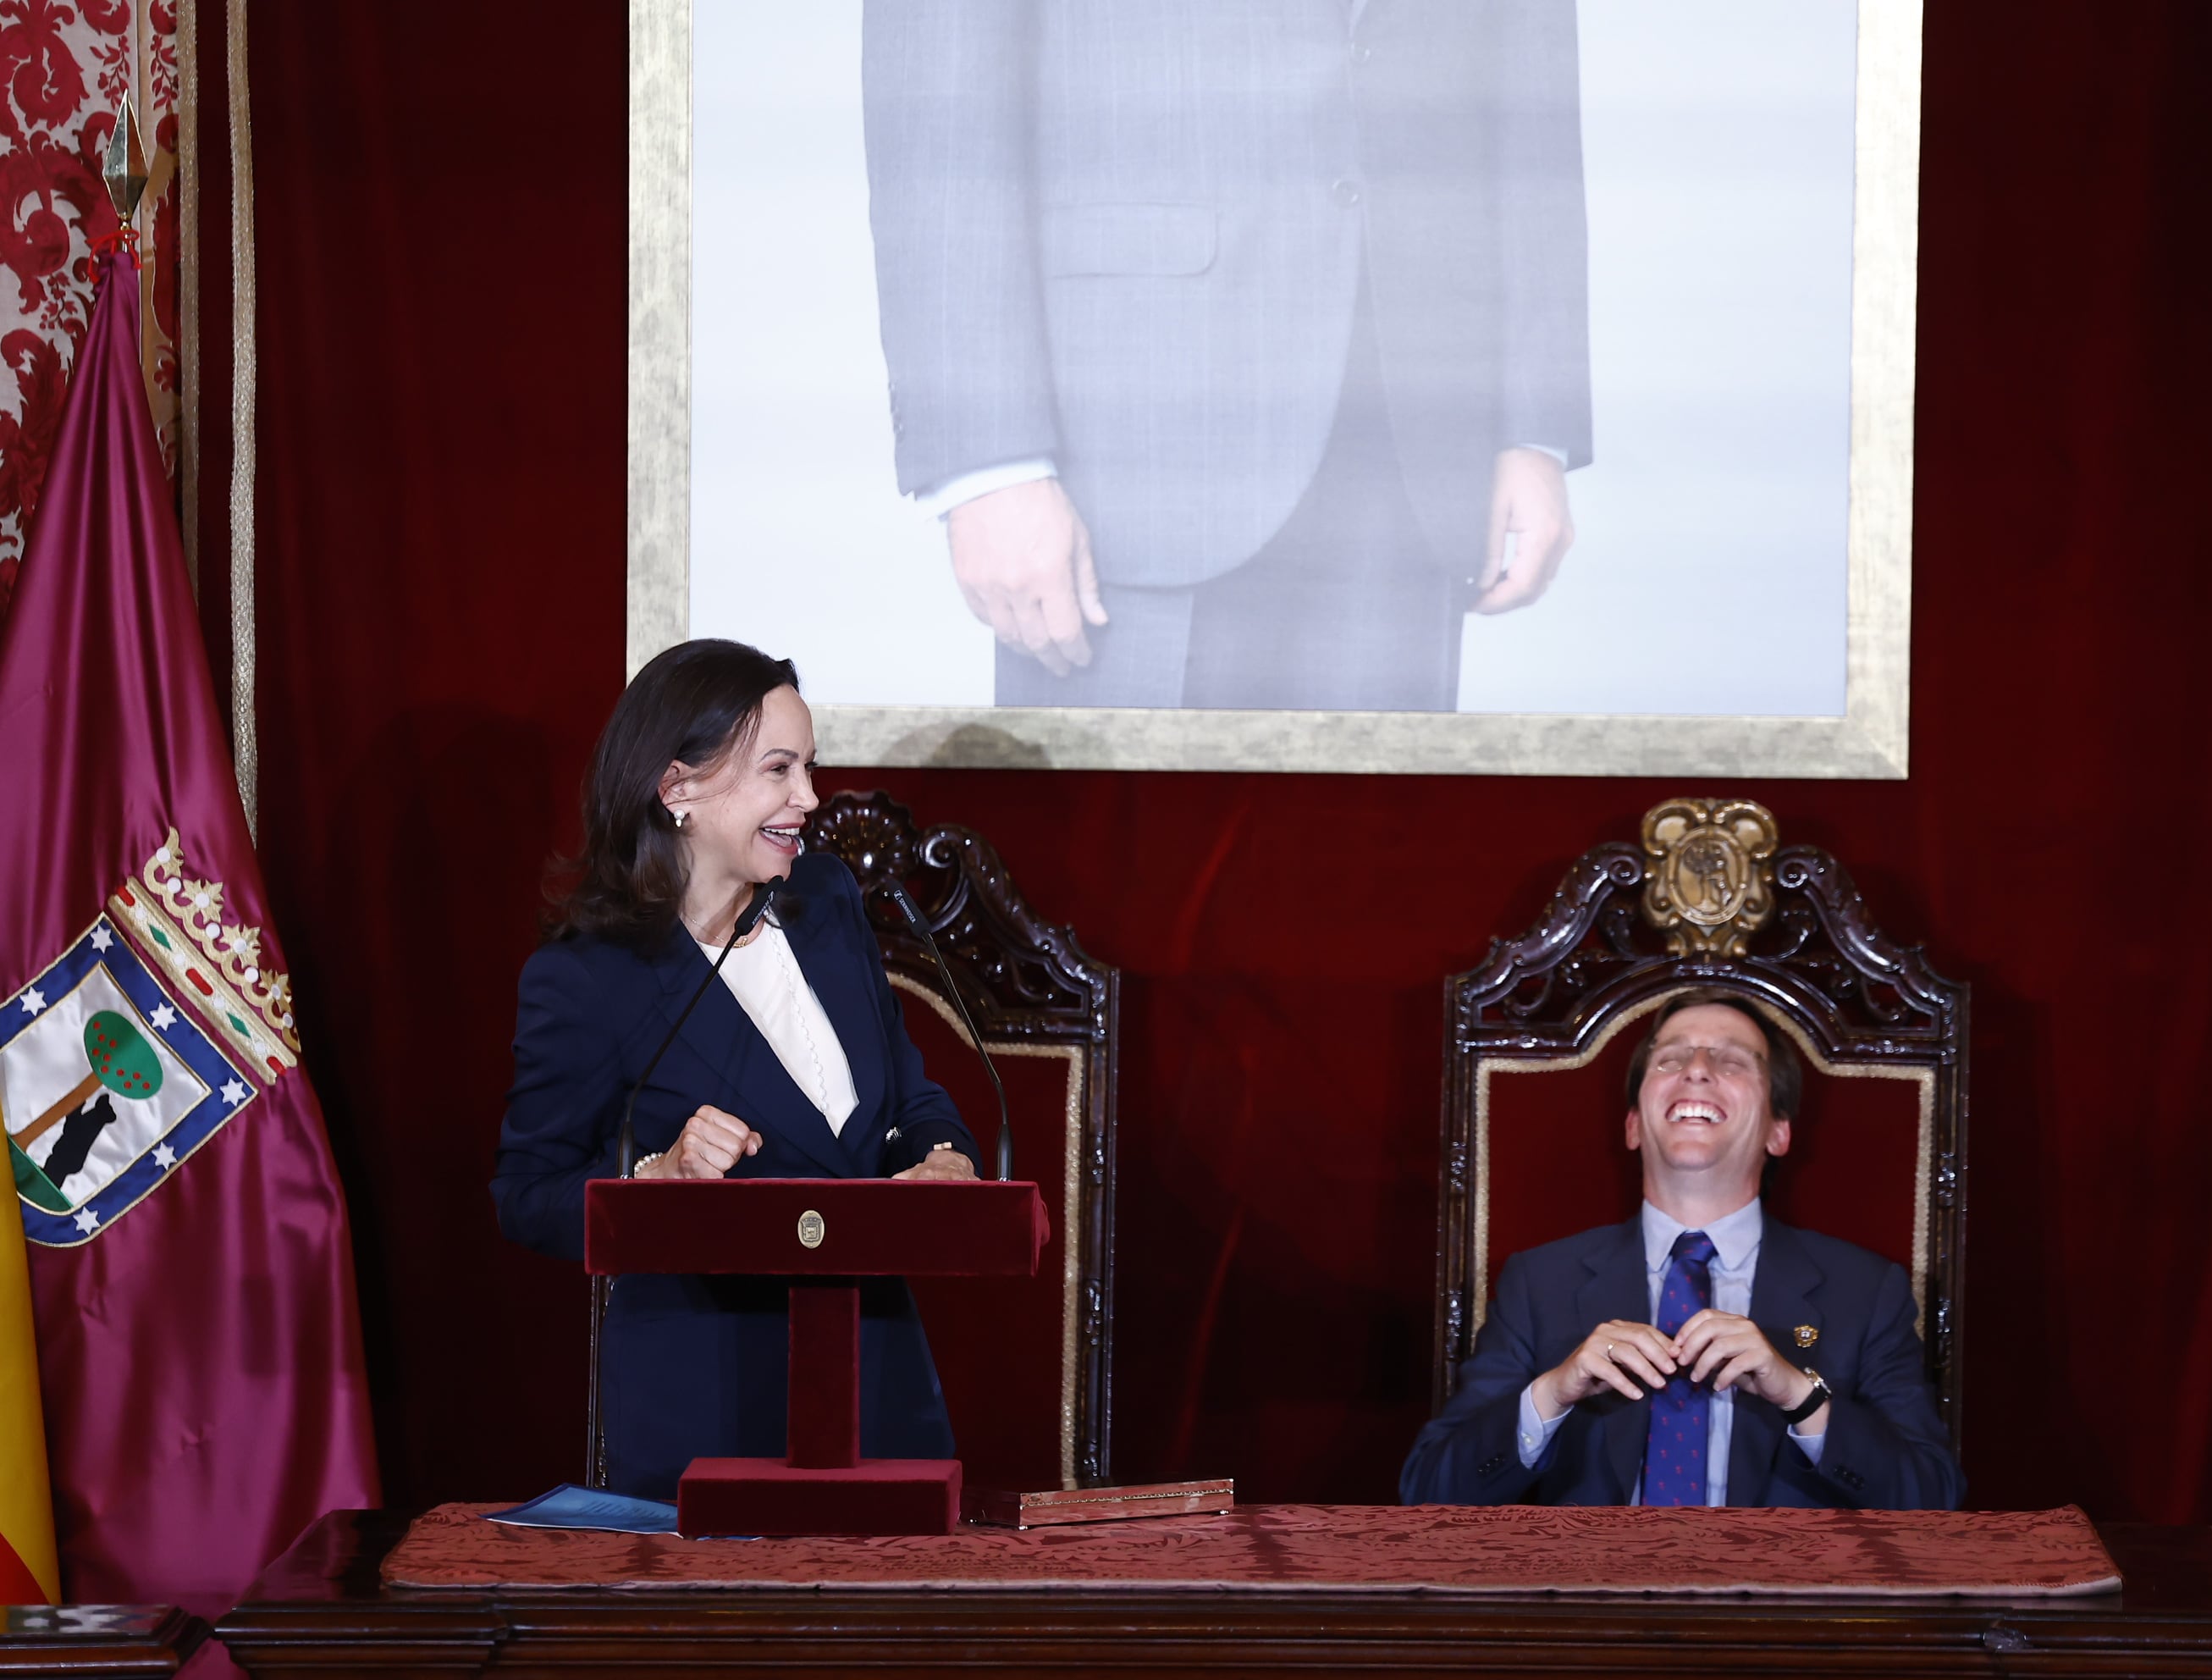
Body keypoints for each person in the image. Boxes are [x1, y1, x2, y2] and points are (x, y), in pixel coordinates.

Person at [861, 0, 1591, 712]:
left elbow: (1532, 63)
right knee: (1119, 799)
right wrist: (986, 462)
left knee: (1378, 797)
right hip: (1127, 441)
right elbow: (937, 84)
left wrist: (1535, 423)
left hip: (1412, 428)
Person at [491, 639, 979, 1500]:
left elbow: (910, 1094)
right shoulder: (588, 977)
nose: (809, 797)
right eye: (779, 770)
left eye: (809, 767)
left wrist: (945, 1153)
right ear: (676, 788)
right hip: (706, 1415)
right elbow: (527, 1194)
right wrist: (655, 1177)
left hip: (881, 1388)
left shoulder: (826, 901)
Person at [1399, 992, 1962, 1509]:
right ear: (1632, 1126)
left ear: (1779, 1131)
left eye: (1732, 1060)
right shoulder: (1539, 1282)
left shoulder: (1865, 1291)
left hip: (1785, 1590)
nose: (1696, 1068)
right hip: (1591, 1588)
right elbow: (1429, 1493)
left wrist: (1802, 1397)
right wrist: (1550, 1395)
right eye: (1669, 1059)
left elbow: (1934, 1500)